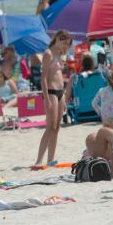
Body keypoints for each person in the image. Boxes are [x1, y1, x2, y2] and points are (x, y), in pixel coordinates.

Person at [34, 30, 72, 169]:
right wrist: (45, 98)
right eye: (64, 43)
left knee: (57, 127)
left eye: (67, 44)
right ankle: (39, 159)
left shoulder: (60, 55)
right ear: (57, 39)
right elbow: (43, 77)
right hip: (50, 92)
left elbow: (60, 75)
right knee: (50, 126)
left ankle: (51, 159)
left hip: (61, 92)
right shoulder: (48, 53)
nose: (65, 46)